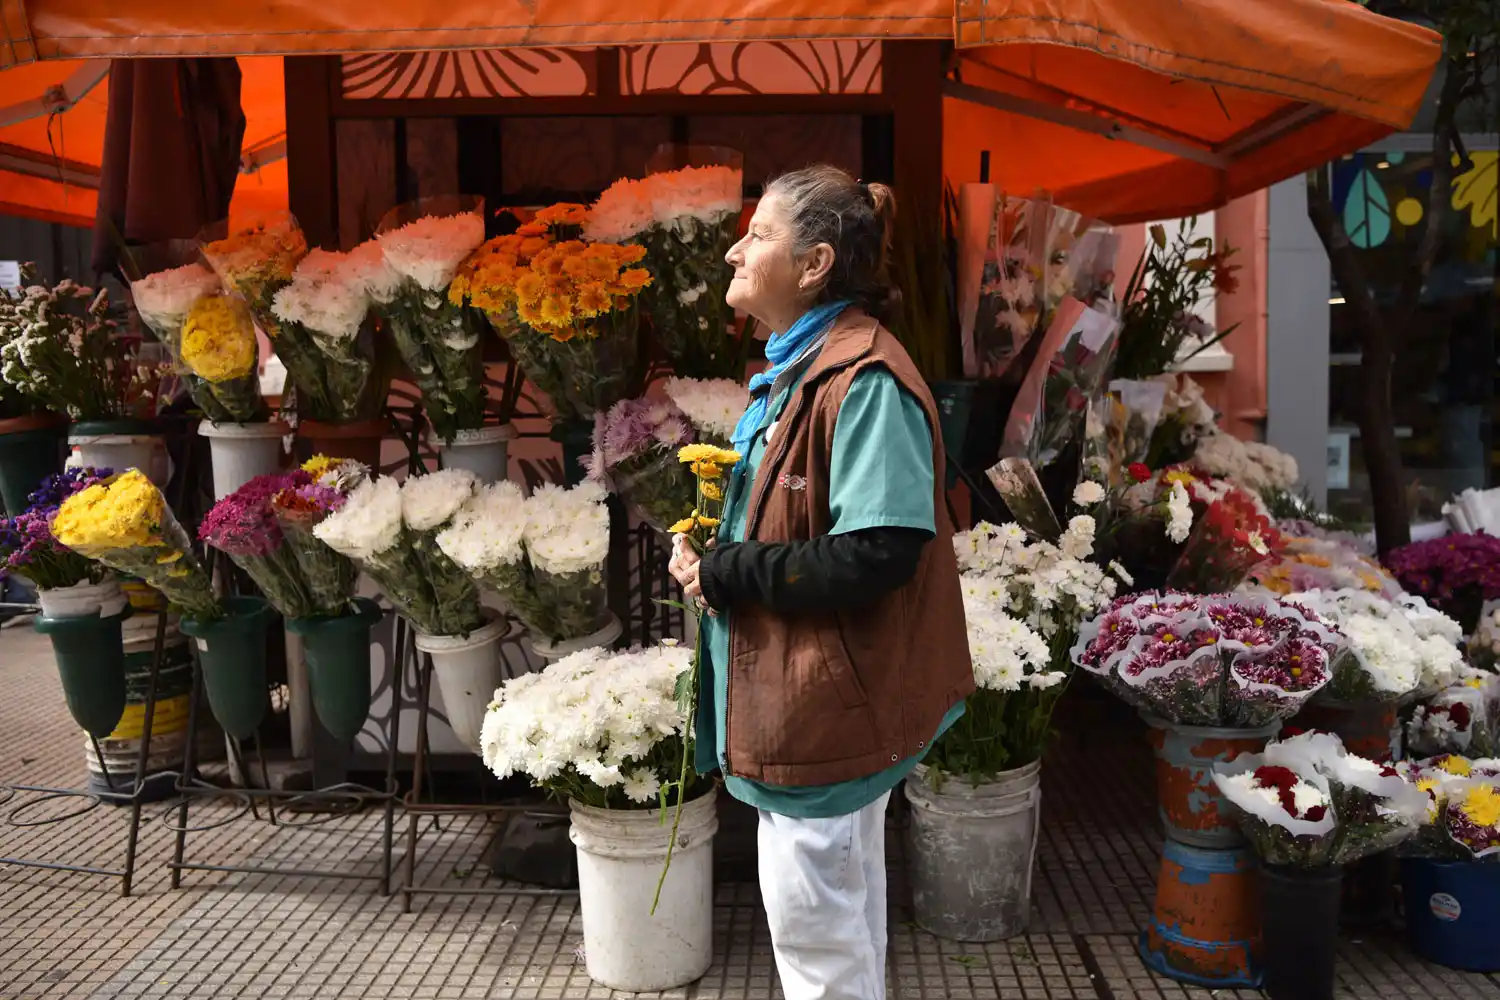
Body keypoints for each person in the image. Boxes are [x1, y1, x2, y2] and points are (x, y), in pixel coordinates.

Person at [667, 164, 975, 1000]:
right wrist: (710, 551)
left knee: (819, 941)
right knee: (835, 931)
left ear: (814, 266)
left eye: (759, 234)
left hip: (823, 713)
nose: (735, 249)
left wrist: (731, 568)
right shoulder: (799, 368)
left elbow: (881, 549)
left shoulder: (862, 378)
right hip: (802, 707)